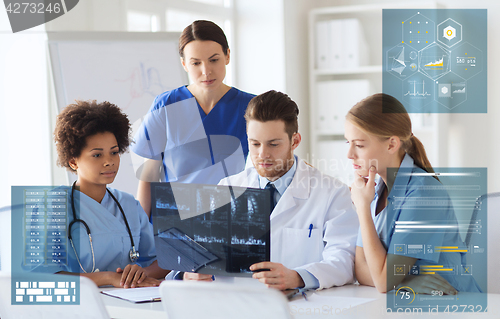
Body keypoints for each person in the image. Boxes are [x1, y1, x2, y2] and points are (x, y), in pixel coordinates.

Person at [183, 90, 359, 290]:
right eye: (255, 144)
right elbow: (200, 254)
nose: (262, 154)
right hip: (236, 304)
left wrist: (298, 277)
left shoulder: (333, 193)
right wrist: (192, 272)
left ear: (295, 141)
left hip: (299, 307)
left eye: (273, 144)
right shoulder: (227, 188)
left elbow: (344, 260)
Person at [345, 93, 482, 294]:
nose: (350, 154)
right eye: (347, 143)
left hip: (452, 304)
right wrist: (405, 282)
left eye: (359, 145)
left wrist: (363, 208)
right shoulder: (373, 190)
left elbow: (382, 282)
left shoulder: (424, 193)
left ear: (391, 144)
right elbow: (362, 269)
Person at [132, 20, 255, 217]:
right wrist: (140, 232)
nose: (206, 71)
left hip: (230, 219)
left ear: (227, 56)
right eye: (196, 63)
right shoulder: (166, 105)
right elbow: (149, 175)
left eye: (213, 60)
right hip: (175, 223)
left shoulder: (251, 108)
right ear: (184, 64)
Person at [53, 100, 168, 288]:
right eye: (97, 155)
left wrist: (140, 273)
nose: (109, 162)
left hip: (130, 303)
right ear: (73, 161)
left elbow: (163, 260)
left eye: (114, 152)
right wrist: (107, 278)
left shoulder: (129, 205)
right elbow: (42, 276)